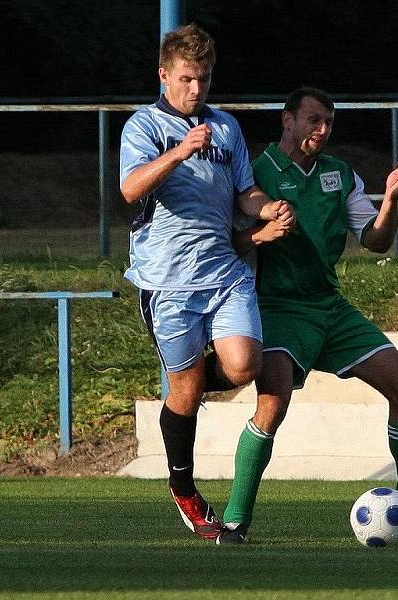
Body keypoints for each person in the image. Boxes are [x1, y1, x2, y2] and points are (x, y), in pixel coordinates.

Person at [218, 87, 398, 544]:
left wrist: (391, 199)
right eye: (313, 119)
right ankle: (235, 520)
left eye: (329, 123)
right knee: (272, 404)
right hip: (276, 307)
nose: (322, 129)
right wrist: (263, 234)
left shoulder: (340, 174)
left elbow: (375, 242)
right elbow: (227, 246)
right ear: (287, 119)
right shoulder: (254, 176)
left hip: (329, 306)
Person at [119, 23, 294, 542]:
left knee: (243, 365)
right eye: (188, 79)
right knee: (188, 390)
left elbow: (245, 193)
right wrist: (178, 152)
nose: (197, 90)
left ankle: (187, 383)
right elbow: (130, 190)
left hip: (224, 273)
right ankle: (184, 488)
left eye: (205, 79)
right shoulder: (143, 127)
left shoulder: (226, 127)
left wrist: (268, 208)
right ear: (165, 76)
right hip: (167, 283)